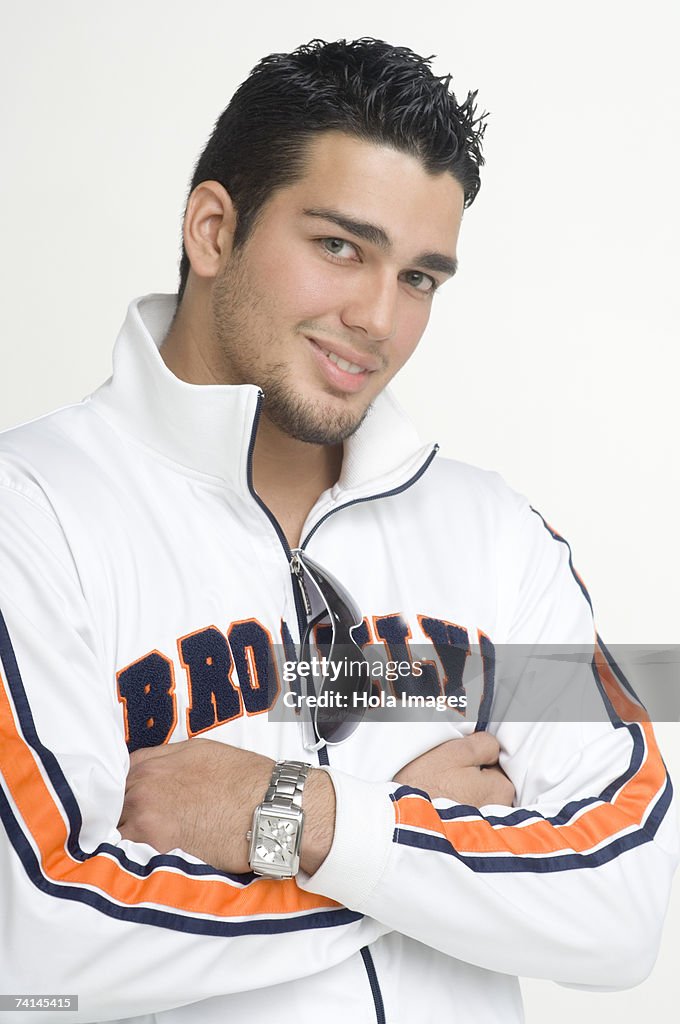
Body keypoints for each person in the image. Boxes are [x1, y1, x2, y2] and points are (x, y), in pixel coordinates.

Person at [0, 37, 676, 1024]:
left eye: (419, 279)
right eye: (339, 247)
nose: (377, 318)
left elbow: (621, 903)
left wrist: (304, 818)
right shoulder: (33, 514)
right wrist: (435, 862)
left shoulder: (497, 539)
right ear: (212, 228)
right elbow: (41, 944)